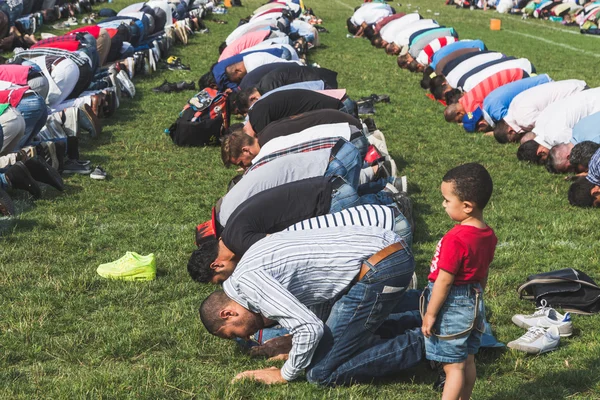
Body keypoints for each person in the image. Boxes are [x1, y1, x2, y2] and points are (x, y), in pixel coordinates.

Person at [199, 225, 423, 386]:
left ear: (228, 313)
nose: (246, 337)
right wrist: (296, 345)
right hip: (387, 250)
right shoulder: (245, 271)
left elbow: (310, 328)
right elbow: (320, 310)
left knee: (320, 372)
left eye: (233, 334)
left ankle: (430, 343)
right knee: (340, 338)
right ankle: (440, 311)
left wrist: (284, 374)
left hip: (381, 266)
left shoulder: (249, 284)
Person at [189, 177, 412, 284]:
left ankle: (396, 210)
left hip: (330, 199)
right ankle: (391, 202)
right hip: (328, 187)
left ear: (216, 264)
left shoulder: (241, 242)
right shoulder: (231, 231)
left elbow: (288, 246)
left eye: (221, 279)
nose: (228, 280)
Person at [422, 163, 497, 400]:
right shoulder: (488, 234)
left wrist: (431, 314)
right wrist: (478, 296)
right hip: (474, 300)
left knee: (452, 367)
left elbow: (444, 280)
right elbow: (483, 273)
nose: (443, 204)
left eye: (446, 200)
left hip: (451, 303)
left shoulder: (455, 238)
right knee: (468, 360)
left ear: (466, 206)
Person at [517, 87, 600, 164]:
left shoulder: (555, 137)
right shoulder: (540, 124)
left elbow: (585, 146)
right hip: (591, 94)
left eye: (547, 158)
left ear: (541, 152)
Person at [494, 79, 587, 144]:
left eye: (514, 140)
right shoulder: (513, 106)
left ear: (511, 131)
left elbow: (548, 124)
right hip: (574, 86)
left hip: (579, 94)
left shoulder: (524, 119)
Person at [462, 74, 552, 133]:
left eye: (480, 131)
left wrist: (495, 132)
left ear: (481, 124)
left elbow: (513, 125)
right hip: (541, 81)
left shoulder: (496, 112)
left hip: (545, 86)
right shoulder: (487, 103)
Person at [244, 89, 346, 135]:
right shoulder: (255, 110)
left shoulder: (258, 121)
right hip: (337, 106)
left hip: (339, 112)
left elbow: (268, 146)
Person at [444, 68, 526, 125]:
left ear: (459, 113)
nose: (460, 121)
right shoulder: (464, 98)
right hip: (515, 72)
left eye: (459, 120)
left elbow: (485, 118)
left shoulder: (470, 108)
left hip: (518, 79)